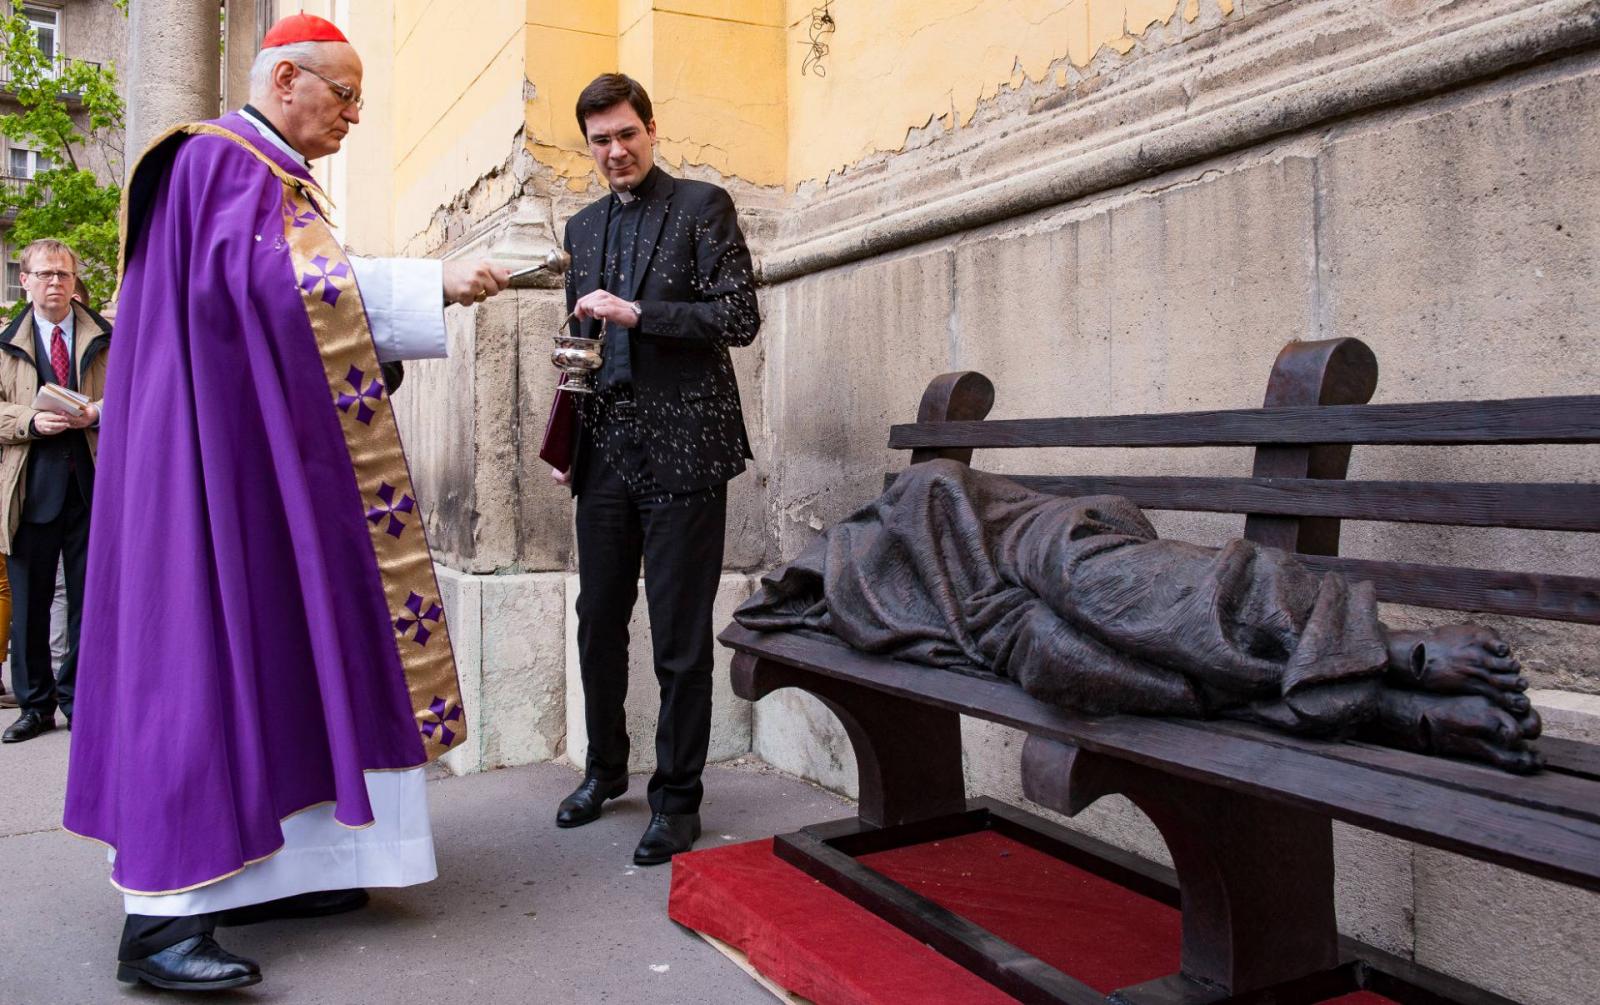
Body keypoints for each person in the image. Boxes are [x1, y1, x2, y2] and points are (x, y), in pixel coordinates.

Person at [62, 14, 512, 992]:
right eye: (343, 95)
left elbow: (280, 315)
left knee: (281, 655)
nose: (354, 115)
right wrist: (420, 283)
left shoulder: (267, 177)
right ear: (285, 79)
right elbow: (268, 291)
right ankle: (162, 921)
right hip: (205, 481)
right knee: (200, 661)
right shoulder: (216, 162)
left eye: (359, 100)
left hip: (251, 468)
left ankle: (287, 870)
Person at [736, 459, 1542, 773]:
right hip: (994, 623)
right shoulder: (845, 608)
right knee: (1057, 657)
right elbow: (774, 613)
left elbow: (946, 498)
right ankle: (1374, 705)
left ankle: (1384, 646)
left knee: (1094, 585)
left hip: (1028, 537)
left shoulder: (893, 509)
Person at [550, 73, 760, 865]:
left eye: (626, 134)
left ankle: (677, 799)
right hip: (604, 454)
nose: (615, 150)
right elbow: (580, 346)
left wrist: (640, 312)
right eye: (600, 140)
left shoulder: (703, 207)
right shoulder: (581, 225)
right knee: (598, 621)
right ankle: (605, 769)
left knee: (678, 638)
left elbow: (738, 316)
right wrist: (563, 440)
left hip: (686, 450)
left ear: (651, 127)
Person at [0, 239, 108, 743]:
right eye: (44, 274)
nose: (55, 283)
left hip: (92, 485)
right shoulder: (5, 343)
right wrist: (28, 419)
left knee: (89, 603)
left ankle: (79, 699)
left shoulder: (108, 338)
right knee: (29, 605)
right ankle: (35, 706)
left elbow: (137, 390)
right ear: (25, 280)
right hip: (30, 487)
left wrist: (98, 412)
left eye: (63, 274)